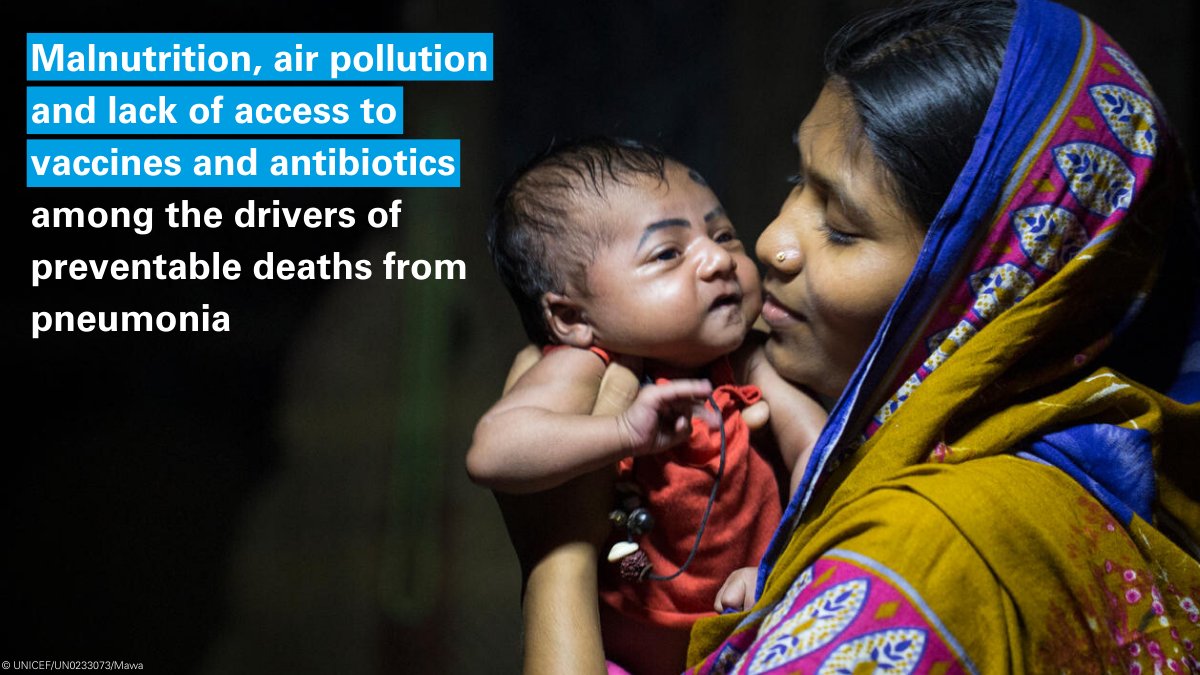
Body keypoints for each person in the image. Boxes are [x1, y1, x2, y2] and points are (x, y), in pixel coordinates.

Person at [493, 0, 1200, 672]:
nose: (769, 244)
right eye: (796, 179)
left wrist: (558, 551)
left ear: (982, 283)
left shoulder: (916, 558)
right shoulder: (1077, 484)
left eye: (840, 226)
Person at [468, 137, 828, 675]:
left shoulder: (747, 359)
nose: (719, 260)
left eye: (723, 235)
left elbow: (817, 453)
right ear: (572, 317)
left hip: (748, 638)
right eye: (667, 253)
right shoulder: (585, 365)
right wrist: (621, 432)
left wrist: (784, 562)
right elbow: (492, 453)